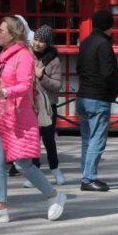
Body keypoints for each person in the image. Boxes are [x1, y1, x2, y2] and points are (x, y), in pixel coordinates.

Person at [0, 16, 66, 223]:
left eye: (1, 30)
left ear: (13, 35)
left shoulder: (23, 56)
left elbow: (23, 85)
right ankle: (0, 206)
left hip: (18, 117)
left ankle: (54, 195)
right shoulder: (5, 55)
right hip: (2, 115)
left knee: (23, 164)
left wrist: (3, 91)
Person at [77, 9, 118, 192]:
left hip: (83, 94)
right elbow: (108, 72)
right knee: (97, 138)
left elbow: (79, 68)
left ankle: (86, 172)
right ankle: (89, 177)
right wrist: (113, 91)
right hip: (98, 96)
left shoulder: (85, 42)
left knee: (87, 139)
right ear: (109, 26)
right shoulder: (103, 45)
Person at [28, 25, 66, 185]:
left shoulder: (54, 60)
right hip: (29, 104)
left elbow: (57, 85)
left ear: (48, 43)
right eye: (36, 39)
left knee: (48, 139)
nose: (37, 44)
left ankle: (55, 168)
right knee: (32, 139)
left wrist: (41, 76)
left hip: (48, 106)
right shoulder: (27, 55)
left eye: (42, 41)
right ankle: (34, 172)